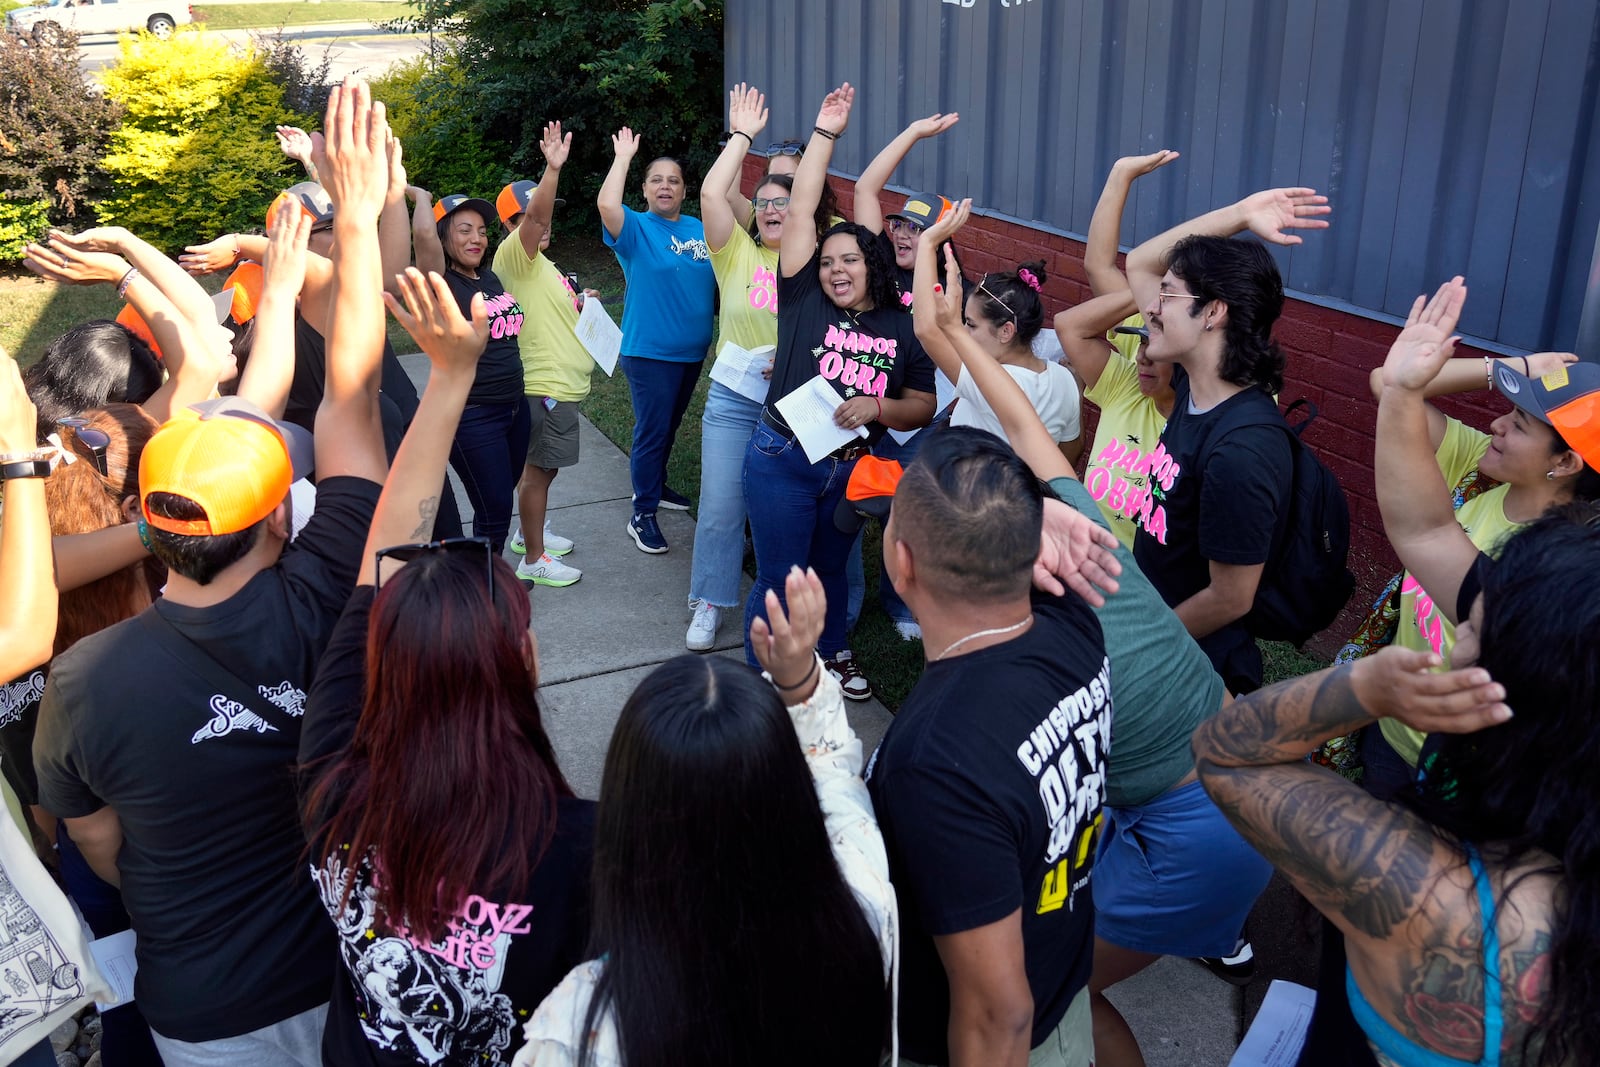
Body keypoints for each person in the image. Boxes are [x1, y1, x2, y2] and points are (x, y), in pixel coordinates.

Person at [32, 77, 393, 1066]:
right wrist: (353, 226)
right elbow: (351, 404)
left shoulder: (89, 676)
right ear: (278, 511)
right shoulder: (325, 598)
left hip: (200, 1012)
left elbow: (96, 841)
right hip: (343, 983)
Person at [921, 243, 1272, 1067]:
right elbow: (1018, 419)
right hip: (1215, 791)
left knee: (1057, 987)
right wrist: (956, 332)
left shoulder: (1043, 658)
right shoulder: (1087, 537)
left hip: (1205, 832)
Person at [301, 266, 594, 1066]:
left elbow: (382, 562)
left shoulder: (333, 774)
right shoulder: (579, 846)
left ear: (381, 661)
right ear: (522, 664)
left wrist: (448, 377)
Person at [1193, 504, 1600, 1067]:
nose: (1454, 640)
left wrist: (1362, 689)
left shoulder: (1423, 891)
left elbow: (1225, 755)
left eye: (1470, 630)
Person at [514, 567, 894, 1067]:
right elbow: (833, 771)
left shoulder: (580, 1024)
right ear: (789, 796)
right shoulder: (862, 901)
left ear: (632, 819)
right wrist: (800, 680)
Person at [865, 419, 1115, 1067]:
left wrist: (1043, 516)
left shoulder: (933, 762)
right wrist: (1045, 512)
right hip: (1062, 993)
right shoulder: (1071, 621)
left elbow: (997, 1013)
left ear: (901, 561)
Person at [1352, 277, 1594, 795]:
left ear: (1566, 462)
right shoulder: (1475, 465)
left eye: (1522, 424)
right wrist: (1513, 370)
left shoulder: (1563, 570)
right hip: (1394, 726)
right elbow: (1389, 388)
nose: (1500, 426)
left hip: (1467, 767)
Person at [742, 83, 936, 700]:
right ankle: (764, 683)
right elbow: (801, 213)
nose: (836, 270)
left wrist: (879, 407)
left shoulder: (901, 323)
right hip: (784, 462)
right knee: (781, 576)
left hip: (850, 470)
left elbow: (923, 404)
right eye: (827, 261)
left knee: (828, 573)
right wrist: (824, 135)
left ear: (872, 265)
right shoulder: (802, 299)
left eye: (849, 261)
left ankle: (831, 657)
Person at [1122, 186, 1331, 692]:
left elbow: (1231, 597)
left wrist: (1142, 647)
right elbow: (1141, 263)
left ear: (1213, 313)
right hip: (1159, 637)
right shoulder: (1193, 389)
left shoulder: (1243, 447)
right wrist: (1239, 215)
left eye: (1169, 295)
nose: (1152, 307)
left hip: (1189, 670)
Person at [684, 83, 786, 651]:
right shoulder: (735, 250)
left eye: (783, 202)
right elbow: (710, 193)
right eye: (763, 202)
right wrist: (742, 137)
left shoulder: (814, 258)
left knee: (778, 509)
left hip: (793, 401)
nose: (772, 209)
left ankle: (782, 602)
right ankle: (710, 599)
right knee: (721, 504)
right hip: (732, 397)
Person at [598, 126, 716, 553]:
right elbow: (607, 203)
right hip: (650, 353)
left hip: (690, 352)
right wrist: (624, 158)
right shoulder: (636, 229)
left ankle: (658, 486)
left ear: (685, 190)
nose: (665, 186)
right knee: (652, 430)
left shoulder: (698, 227)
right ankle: (642, 511)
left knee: (668, 425)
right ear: (645, 190)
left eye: (674, 180)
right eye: (656, 180)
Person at [1057, 151, 1182, 547]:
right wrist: (1120, 175)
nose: (1144, 353)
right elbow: (1097, 265)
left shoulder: (1217, 403)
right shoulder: (1138, 340)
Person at [492, 121, 591, 587]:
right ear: (508, 225)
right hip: (543, 388)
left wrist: (580, 301)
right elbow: (534, 220)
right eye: (531, 216)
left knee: (542, 471)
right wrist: (553, 169)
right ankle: (533, 557)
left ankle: (528, 534)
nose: (544, 222)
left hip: (559, 385)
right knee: (538, 471)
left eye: (549, 214)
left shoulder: (544, 265)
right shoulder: (515, 254)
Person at [411, 182, 530, 554]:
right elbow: (423, 238)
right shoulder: (440, 282)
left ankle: (482, 579)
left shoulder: (488, 278)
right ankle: (484, 591)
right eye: (464, 230)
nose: (476, 238)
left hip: (513, 407)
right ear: (444, 237)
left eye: (481, 230)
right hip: (473, 415)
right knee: (495, 508)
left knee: (495, 504)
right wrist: (422, 199)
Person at [910, 200, 1081, 457]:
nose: (965, 333)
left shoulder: (988, 383)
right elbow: (1071, 450)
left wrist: (926, 244)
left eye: (971, 324)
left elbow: (925, 328)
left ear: (1006, 331)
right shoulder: (1065, 379)